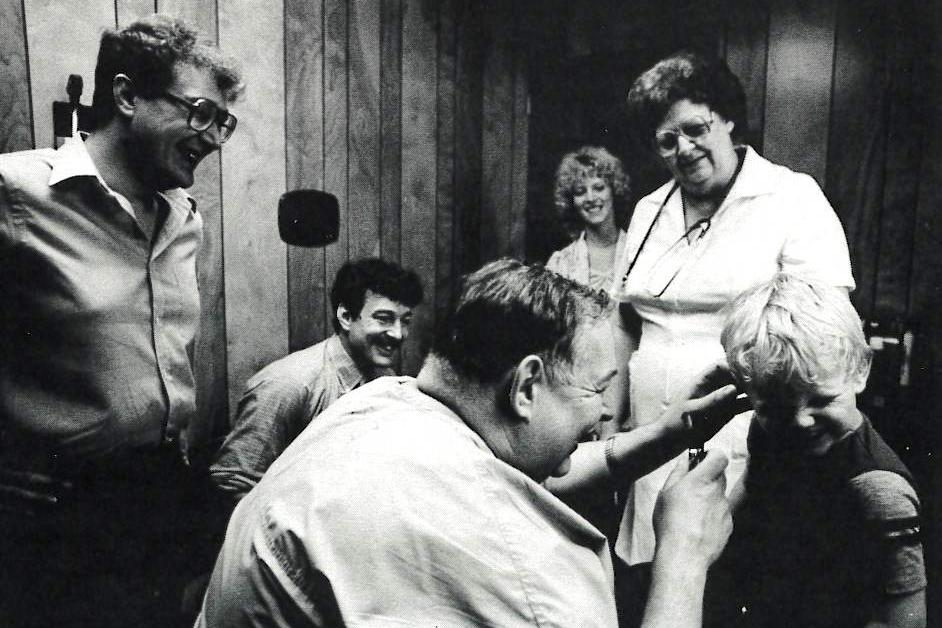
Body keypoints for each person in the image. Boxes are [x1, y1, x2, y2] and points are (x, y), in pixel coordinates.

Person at [196, 259, 736, 628]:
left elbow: (543, 472)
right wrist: (684, 557)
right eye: (596, 390)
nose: (602, 412)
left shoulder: (387, 402)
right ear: (525, 387)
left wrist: (670, 431)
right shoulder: (503, 556)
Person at [0, 15, 243, 628]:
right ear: (128, 96)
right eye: (200, 113)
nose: (212, 137)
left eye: (223, 123)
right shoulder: (15, 193)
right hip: (59, 519)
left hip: (162, 495)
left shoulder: (185, 219)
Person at [609, 50, 856, 598]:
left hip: (749, 435)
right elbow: (624, 320)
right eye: (666, 141)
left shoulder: (790, 198)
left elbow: (821, 328)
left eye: (695, 129)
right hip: (651, 435)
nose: (684, 150)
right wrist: (612, 415)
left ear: (727, 118)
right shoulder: (651, 209)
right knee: (649, 577)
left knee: (724, 578)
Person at [705, 273, 926, 627]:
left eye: (822, 400)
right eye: (775, 407)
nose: (801, 421)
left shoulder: (879, 490)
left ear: (860, 370)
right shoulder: (769, 433)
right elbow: (748, 494)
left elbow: (905, 619)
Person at [210, 257, 423, 500]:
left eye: (405, 321)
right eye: (383, 318)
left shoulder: (384, 377)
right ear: (345, 316)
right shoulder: (289, 385)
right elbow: (231, 481)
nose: (398, 334)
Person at [547, 145, 631, 293]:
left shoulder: (639, 252)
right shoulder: (560, 264)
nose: (591, 198)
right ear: (571, 201)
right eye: (580, 191)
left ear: (614, 190)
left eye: (599, 188)